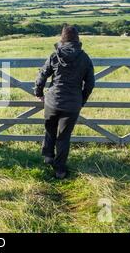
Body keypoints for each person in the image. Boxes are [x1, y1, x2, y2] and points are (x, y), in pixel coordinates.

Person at [34, 26, 95, 179]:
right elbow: (90, 83)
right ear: (78, 39)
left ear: (62, 38)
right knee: (64, 137)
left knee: (50, 128)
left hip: (53, 100)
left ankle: (48, 156)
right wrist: (82, 99)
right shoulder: (84, 58)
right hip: (72, 103)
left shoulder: (55, 55)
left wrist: (38, 93)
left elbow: (42, 76)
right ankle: (60, 170)